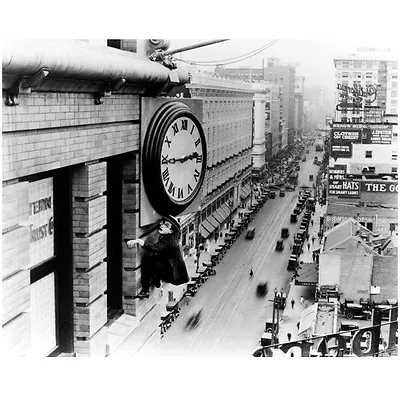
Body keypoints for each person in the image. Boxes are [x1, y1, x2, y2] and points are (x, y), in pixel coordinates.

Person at [127, 215, 189, 298]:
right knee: (152, 260)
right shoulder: (173, 235)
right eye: (162, 223)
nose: (162, 226)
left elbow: (155, 248)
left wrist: (139, 241)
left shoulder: (169, 240)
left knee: (147, 262)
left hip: (170, 269)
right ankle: (157, 279)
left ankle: (145, 290)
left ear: (170, 231)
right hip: (168, 264)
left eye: (166, 225)